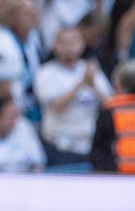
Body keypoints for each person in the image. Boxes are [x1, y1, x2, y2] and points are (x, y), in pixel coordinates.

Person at [34, 26, 113, 166]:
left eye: (73, 42)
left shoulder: (91, 70)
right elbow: (55, 106)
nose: (68, 47)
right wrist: (81, 84)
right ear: (55, 45)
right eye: (63, 43)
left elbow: (110, 105)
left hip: (90, 145)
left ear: (82, 45)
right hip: (61, 146)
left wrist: (93, 85)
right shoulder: (46, 72)